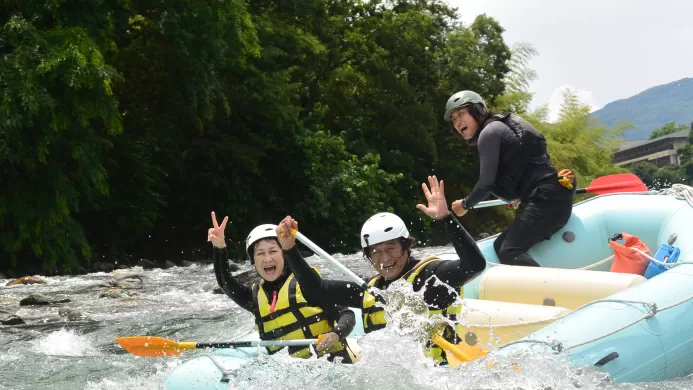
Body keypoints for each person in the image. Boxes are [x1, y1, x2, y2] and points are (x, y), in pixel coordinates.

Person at [275, 176, 486, 364]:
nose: (384, 259)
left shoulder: (432, 276)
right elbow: (316, 291)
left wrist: (447, 219)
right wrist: (290, 250)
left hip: (442, 374)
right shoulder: (372, 290)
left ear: (406, 245)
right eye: (375, 252)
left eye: (391, 248)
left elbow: (475, 266)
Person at [443, 90, 576, 267]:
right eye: (453, 119)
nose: (458, 122)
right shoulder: (499, 127)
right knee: (500, 246)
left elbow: (486, 183)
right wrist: (514, 198)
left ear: (478, 111)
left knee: (509, 251)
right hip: (546, 197)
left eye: (461, 114)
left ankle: (548, 291)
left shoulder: (489, 133)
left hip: (545, 200)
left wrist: (465, 205)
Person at [207, 212, 358, 363]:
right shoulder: (254, 298)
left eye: (273, 251)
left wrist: (336, 334)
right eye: (260, 253)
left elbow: (346, 313)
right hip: (289, 375)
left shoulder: (307, 285)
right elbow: (226, 284)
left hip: (330, 363)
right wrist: (219, 248)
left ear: (284, 255)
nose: (267, 259)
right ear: (253, 260)